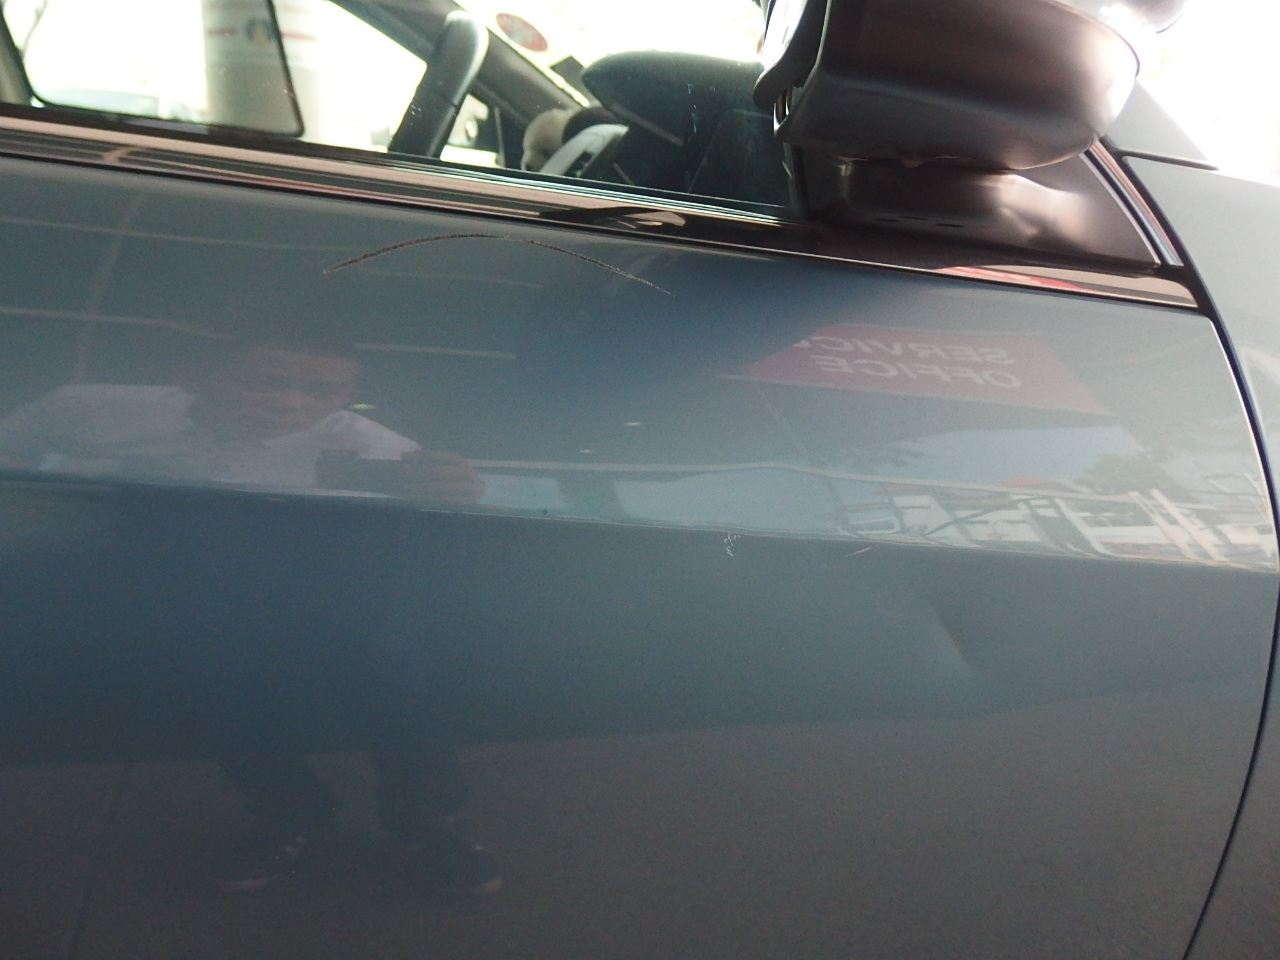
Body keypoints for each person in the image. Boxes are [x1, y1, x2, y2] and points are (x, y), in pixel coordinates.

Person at [0, 333, 501, 895]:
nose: (291, 405)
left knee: (388, 684)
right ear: (193, 377)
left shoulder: (373, 447)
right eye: (265, 382)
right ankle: (289, 813)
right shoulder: (88, 409)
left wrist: (462, 495)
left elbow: (439, 518)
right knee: (221, 686)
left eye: (321, 391)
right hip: (176, 551)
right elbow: (11, 447)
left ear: (348, 394)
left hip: (324, 552)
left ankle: (429, 819)